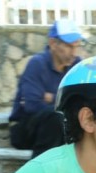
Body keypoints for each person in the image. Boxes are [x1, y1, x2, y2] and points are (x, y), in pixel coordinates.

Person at [8, 18, 83, 158]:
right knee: (55, 118)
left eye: (76, 46)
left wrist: (52, 98)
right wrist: (68, 102)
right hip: (26, 130)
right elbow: (32, 105)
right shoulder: (37, 64)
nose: (74, 52)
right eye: (69, 46)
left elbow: (83, 101)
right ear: (53, 43)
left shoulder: (77, 66)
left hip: (60, 128)